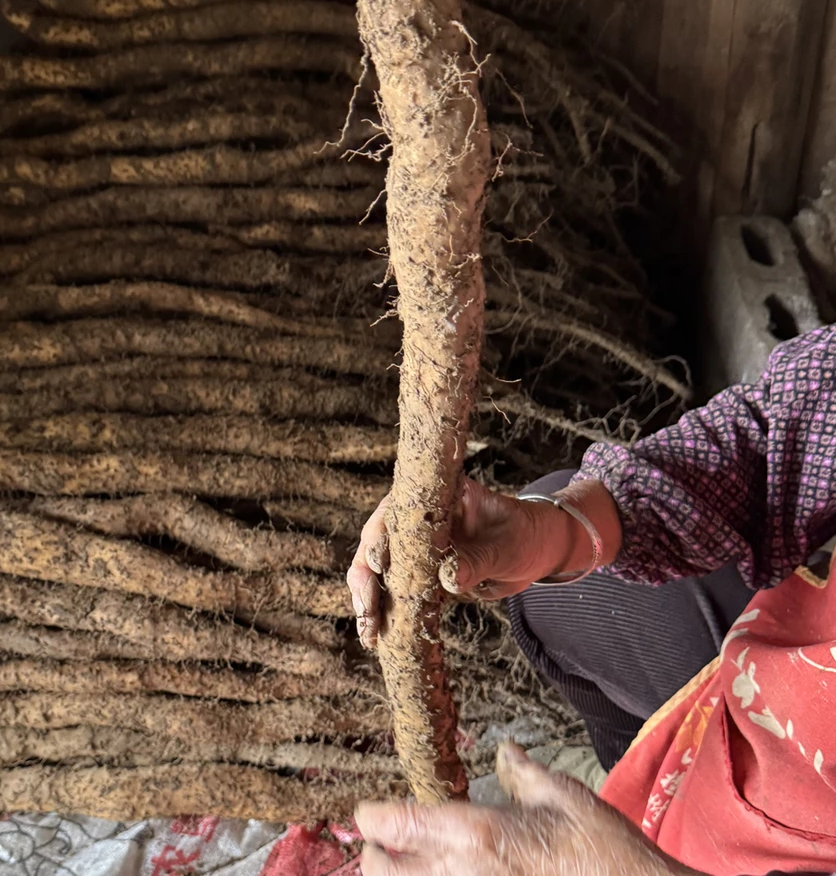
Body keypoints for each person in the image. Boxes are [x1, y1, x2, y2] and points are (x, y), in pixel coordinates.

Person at [347, 325, 836, 875]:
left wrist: (630, 869)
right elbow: (785, 434)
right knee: (564, 591)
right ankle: (642, 795)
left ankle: (651, 839)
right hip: (799, 685)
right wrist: (565, 529)